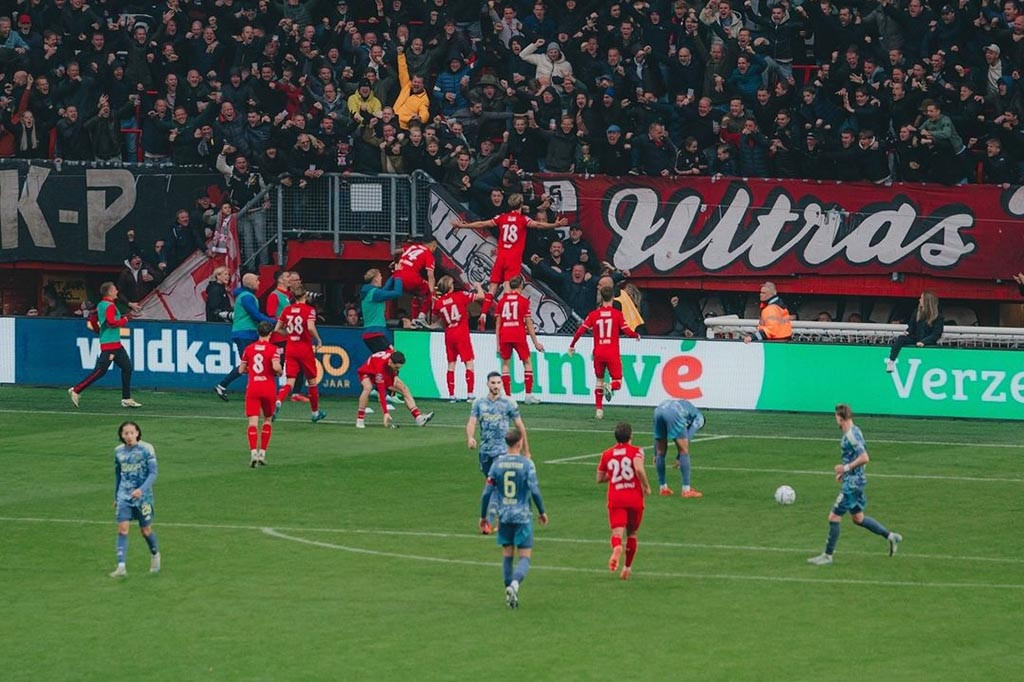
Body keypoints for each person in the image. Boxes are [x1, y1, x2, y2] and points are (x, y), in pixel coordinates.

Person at [450, 193, 567, 330]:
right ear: (521, 205)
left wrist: (463, 226)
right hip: (513, 259)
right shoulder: (523, 219)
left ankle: (483, 315)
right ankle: (505, 321)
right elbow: (539, 225)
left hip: (500, 258)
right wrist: (555, 224)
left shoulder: (502, 218)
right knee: (509, 293)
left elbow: (483, 223)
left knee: (492, 289)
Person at [808, 404, 903, 565]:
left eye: (835, 418)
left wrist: (845, 468)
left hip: (852, 485)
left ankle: (827, 556)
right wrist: (845, 473)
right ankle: (890, 536)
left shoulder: (851, 435)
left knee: (834, 516)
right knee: (858, 518)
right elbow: (857, 457)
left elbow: (865, 457)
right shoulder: (855, 430)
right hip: (856, 481)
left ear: (840, 417)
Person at [479, 426, 548, 609]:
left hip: (504, 516)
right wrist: (542, 511)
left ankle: (508, 594)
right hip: (522, 516)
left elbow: (486, 493)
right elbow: (534, 490)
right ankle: (514, 585)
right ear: (520, 443)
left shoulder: (497, 464)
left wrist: (483, 516)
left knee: (507, 556)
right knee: (524, 557)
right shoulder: (527, 464)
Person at [467, 372, 532, 534]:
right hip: (485, 452)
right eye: (493, 383)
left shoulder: (509, 403)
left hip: (503, 452)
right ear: (487, 384)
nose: (496, 386)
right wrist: (470, 437)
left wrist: (526, 450)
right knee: (492, 485)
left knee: (496, 485)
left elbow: (520, 426)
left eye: (498, 383)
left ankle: (488, 521)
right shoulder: (479, 403)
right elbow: (472, 422)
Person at [568, 286, 640, 420]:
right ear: (613, 297)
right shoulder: (617, 314)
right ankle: (610, 386)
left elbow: (580, 331)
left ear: (601, 298)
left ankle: (599, 411)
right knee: (617, 382)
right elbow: (627, 331)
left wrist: (572, 345)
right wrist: (636, 335)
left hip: (598, 352)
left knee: (599, 380)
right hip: (612, 352)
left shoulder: (593, 315)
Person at [69, 282, 141, 409]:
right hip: (111, 345)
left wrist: (99, 330)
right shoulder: (110, 306)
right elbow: (112, 323)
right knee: (101, 370)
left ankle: (126, 398)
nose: (117, 291)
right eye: (115, 289)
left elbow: (92, 318)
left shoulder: (102, 305)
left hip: (114, 344)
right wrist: (124, 320)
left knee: (127, 367)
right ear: (109, 292)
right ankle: (76, 389)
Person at [597, 422, 651, 580]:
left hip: (616, 497)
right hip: (634, 497)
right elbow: (639, 469)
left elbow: (599, 478)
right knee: (632, 533)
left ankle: (617, 547)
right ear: (631, 436)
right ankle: (627, 568)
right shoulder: (637, 451)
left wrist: (613, 475)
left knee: (617, 533)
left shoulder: (607, 454)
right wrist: (646, 487)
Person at [214, 273, 276, 400]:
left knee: (248, 363)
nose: (259, 283)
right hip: (245, 333)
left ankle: (223, 386)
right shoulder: (247, 297)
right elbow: (255, 315)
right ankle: (226, 386)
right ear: (250, 283)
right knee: (248, 364)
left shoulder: (245, 296)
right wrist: (274, 321)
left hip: (246, 333)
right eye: (257, 281)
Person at [109, 421, 160, 578]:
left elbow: (153, 473)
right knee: (122, 529)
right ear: (121, 435)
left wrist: (141, 490)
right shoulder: (118, 452)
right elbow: (118, 474)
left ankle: (155, 554)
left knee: (145, 531)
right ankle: (121, 566)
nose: (129, 436)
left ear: (137, 433)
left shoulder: (147, 449)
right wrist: (116, 496)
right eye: (126, 433)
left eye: (132, 432)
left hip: (144, 498)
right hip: (124, 497)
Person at [273, 288, 326, 423]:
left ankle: (279, 400)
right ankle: (315, 413)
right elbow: (310, 327)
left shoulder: (286, 310)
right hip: (304, 348)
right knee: (312, 381)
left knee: (290, 381)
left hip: (291, 347)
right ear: (305, 296)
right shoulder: (309, 310)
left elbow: (277, 329)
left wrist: (290, 334)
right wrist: (318, 340)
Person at [432, 276, 485, 402]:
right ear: (450, 286)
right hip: (461, 333)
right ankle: (470, 394)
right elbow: (481, 297)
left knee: (451, 364)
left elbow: (435, 319)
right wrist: (478, 286)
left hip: (449, 334)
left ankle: (451, 395)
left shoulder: (438, 303)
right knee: (469, 363)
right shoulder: (460, 295)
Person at [238, 321, 283, 468]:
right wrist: (280, 371)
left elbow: (240, 370)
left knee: (252, 422)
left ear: (258, 333)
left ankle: (253, 454)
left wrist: (250, 371)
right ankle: (262, 453)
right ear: (270, 333)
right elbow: (276, 367)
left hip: (253, 387)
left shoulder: (249, 349)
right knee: (268, 419)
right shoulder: (273, 349)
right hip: (268, 387)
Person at [495, 276, 545, 404]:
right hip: (518, 334)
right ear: (521, 286)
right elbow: (528, 323)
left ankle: (507, 396)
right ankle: (528, 396)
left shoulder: (502, 301)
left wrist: (497, 343)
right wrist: (536, 342)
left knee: (505, 364)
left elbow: (498, 323)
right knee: (527, 362)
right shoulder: (523, 301)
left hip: (505, 334)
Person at [355, 349, 434, 428]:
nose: (398, 369)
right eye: (396, 367)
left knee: (404, 389)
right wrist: (385, 413)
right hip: (367, 372)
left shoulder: (394, 356)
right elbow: (382, 393)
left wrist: (395, 375)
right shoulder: (380, 370)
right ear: (390, 362)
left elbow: (392, 353)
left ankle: (418, 418)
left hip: (387, 372)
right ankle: (360, 420)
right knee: (368, 388)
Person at [652, 398, 705, 498]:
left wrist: (655, 453)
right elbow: (689, 435)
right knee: (684, 451)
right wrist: (678, 457)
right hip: (673, 413)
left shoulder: (685, 405)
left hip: (658, 410)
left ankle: (663, 488)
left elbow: (657, 436)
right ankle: (686, 490)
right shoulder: (699, 417)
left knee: (660, 452)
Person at [886, 291, 943, 373]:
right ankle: (891, 361)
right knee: (901, 338)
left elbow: (936, 334)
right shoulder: (916, 312)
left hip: (928, 341)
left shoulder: (938, 317)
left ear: (927, 301)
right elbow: (911, 327)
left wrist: (924, 342)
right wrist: (907, 332)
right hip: (916, 338)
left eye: (921, 298)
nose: (919, 300)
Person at [392, 236, 438, 322]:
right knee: (429, 291)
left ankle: (414, 318)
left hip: (397, 277)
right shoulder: (428, 254)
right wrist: (431, 293)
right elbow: (430, 275)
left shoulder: (413, 247)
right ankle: (421, 317)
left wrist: (395, 262)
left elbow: (396, 251)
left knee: (417, 294)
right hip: (410, 277)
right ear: (433, 245)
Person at [360, 268, 402, 353]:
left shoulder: (370, 292)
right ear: (375, 279)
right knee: (391, 356)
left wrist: (394, 274)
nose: (381, 278)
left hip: (368, 334)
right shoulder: (376, 293)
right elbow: (398, 292)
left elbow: (384, 290)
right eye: (380, 276)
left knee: (380, 358)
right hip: (376, 333)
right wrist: (398, 275)